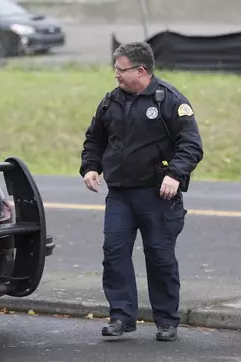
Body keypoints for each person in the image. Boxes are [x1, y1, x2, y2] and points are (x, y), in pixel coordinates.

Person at [79, 41, 204, 342]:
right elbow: (94, 139)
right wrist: (91, 166)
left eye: (121, 70)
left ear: (141, 70)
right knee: (114, 253)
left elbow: (192, 145)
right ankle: (121, 317)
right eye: (116, 69)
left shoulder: (169, 101)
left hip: (157, 196)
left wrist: (175, 173)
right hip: (121, 193)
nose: (116, 75)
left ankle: (167, 320)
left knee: (159, 257)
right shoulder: (111, 101)